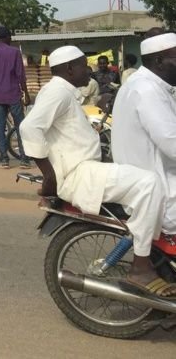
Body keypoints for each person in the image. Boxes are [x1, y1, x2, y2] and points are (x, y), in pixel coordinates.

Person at [21, 45, 173, 297]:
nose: (88, 69)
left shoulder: (64, 92)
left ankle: (151, 255)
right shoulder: (57, 91)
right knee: (149, 183)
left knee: (147, 186)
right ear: (69, 69)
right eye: (82, 64)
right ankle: (141, 267)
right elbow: (29, 128)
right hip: (77, 173)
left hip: (85, 168)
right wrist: (49, 177)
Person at [112, 31, 176, 237]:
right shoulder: (148, 91)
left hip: (147, 181)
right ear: (159, 61)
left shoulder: (142, 83)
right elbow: (172, 144)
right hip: (160, 190)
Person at [0, 26, 31, 169]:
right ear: (8, 37)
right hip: (14, 95)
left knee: (0, 128)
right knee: (20, 126)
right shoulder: (15, 52)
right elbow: (21, 76)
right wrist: (26, 93)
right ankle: (24, 159)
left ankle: (4, 159)